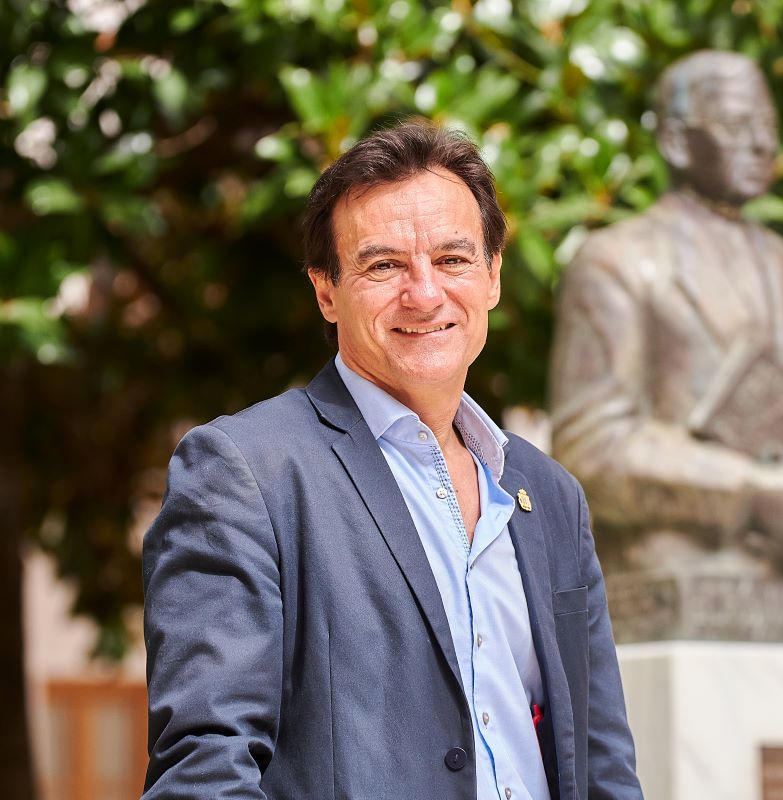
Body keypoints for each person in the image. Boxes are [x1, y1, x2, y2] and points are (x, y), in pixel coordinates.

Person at [142, 121, 642, 800]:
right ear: (326, 290)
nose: (425, 293)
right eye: (384, 266)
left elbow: (602, 764)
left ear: (493, 275)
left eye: (453, 259)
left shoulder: (549, 494)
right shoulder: (245, 474)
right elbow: (207, 767)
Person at [549, 51, 783, 576]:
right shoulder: (618, 261)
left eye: (769, 125)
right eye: (737, 125)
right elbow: (590, 448)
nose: (762, 143)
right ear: (677, 141)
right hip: (688, 571)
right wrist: (750, 495)